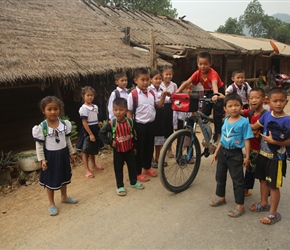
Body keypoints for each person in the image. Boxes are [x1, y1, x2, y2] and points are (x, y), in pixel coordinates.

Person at [250, 88, 290, 225]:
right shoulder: (266, 115)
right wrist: (238, 122)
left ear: (286, 102)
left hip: (276, 159)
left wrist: (275, 142)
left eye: (281, 101)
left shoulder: (287, 120)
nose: (278, 104)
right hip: (263, 155)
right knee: (262, 181)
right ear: (269, 102)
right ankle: (263, 203)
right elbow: (255, 126)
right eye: (275, 101)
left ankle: (273, 213)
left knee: (273, 186)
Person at [32, 96, 78, 216]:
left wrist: (71, 153)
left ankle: (64, 197)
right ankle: (51, 203)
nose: (53, 112)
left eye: (56, 109)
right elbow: (39, 146)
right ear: (43, 111)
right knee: (50, 179)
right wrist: (42, 160)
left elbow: (67, 140)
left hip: (63, 155)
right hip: (50, 157)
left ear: (60, 110)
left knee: (63, 175)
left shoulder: (64, 124)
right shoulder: (42, 127)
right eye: (49, 109)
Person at [210, 94, 253, 218]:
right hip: (223, 151)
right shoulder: (225, 120)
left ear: (241, 106)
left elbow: (247, 139)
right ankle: (221, 197)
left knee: (238, 180)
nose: (234, 108)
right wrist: (217, 152)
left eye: (236, 105)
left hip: (235, 154)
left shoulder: (244, 122)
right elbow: (223, 137)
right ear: (225, 108)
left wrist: (247, 157)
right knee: (220, 176)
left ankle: (240, 206)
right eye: (230, 106)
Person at [127, 67, 170, 182]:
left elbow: (159, 106)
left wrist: (163, 96)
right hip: (139, 125)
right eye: (143, 80)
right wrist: (132, 128)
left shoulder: (151, 93)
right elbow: (129, 112)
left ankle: (147, 168)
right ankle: (137, 173)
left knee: (149, 147)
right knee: (139, 149)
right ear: (136, 80)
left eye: (147, 80)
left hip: (151, 124)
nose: (146, 82)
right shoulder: (133, 94)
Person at [176, 51, 225, 145]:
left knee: (217, 115)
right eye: (200, 64)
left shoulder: (213, 73)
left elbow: (214, 84)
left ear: (210, 64)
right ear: (197, 64)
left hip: (218, 91)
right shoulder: (197, 73)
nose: (202, 66)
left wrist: (216, 94)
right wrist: (177, 92)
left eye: (205, 64)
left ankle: (218, 136)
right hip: (208, 92)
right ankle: (207, 135)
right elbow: (187, 82)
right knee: (203, 114)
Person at [99, 98, 144, 196]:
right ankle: (120, 186)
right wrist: (110, 142)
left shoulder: (130, 122)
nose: (118, 112)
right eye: (115, 110)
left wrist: (135, 147)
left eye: (121, 110)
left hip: (129, 149)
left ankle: (133, 182)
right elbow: (101, 133)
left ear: (126, 110)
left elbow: (133, 135)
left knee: (132, 166)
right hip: (118, 151)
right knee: (118, 169)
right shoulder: (112, 123)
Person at [242, 88, 266, 197]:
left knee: (262, 173)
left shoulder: (266, 114)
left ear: (264, 99)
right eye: (251, 98)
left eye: (257, 97)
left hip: (263, 149)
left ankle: (266, 195)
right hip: (251, 147)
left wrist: (244, 126)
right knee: (249, 169)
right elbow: (240, 111)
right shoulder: (251, 112)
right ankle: (246, 189)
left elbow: (256, 127)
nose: (253, 100)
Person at [76, 86, 103, 178]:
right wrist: (90, 134)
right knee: (85, 150)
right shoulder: (83, 108)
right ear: (83, 96)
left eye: (91, 95)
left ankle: (94, 165)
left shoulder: (95, 107)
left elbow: (95, 118)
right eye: (88, 95)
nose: (90, 97)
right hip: (87, 130)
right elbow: (84, 122)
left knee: (92, 148)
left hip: (95, 128)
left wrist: (98, 123)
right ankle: (87, 170)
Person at [149, 69, 166, 168]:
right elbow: (159, 105)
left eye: (160, 79)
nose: (158, 81)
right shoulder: (149, 90)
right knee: (151, 139)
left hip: (160, 115)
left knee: (159, 138)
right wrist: (163, 97)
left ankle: (157, 158)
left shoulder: (161, 89)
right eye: (156, 78)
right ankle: (150, 159)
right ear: (151, 79)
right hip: (152, 115)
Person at [160, 66, 178, 158]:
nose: (168, 76)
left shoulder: (174, 85)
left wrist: (171, 96)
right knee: (161, 129)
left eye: (170, 74)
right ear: (162, 75)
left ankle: (170, 149)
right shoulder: (159, 85)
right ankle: (162, 150)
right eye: (166, 74)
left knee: (169, 129)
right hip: (161, 108)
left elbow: (176, 98)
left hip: (170, 108)